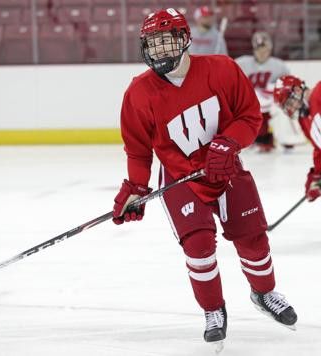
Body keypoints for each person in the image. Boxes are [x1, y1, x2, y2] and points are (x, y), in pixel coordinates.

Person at [111, 8, 297, 348]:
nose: (160, 51)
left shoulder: (222, 69)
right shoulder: (138, 93)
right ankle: (213, 310)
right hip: (181, 179)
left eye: (167, 42)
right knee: (198, 247)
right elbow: (138, 151)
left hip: (227, 170)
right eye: (153, 44)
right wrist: (135, 189)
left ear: (185, 40)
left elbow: (250, 115)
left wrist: (229, 142)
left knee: (253, 240)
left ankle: (264, 293)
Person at [236, 32, 291, 152]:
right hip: (249, 103)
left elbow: (287, 87)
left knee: (283, 111)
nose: (262, 52)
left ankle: (286, 139)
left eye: (264, 49)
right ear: (254, 49)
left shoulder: (279, 66)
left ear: (270, 48)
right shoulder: (242, 63)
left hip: (270, 104)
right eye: (259, 49)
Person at [274, 75, 321, 201]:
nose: (291, 109)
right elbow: (319, 149)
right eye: (286, 107)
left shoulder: (319, 92)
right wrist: (317, 176)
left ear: (297, 90)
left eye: (289, 103)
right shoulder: (304, 120)